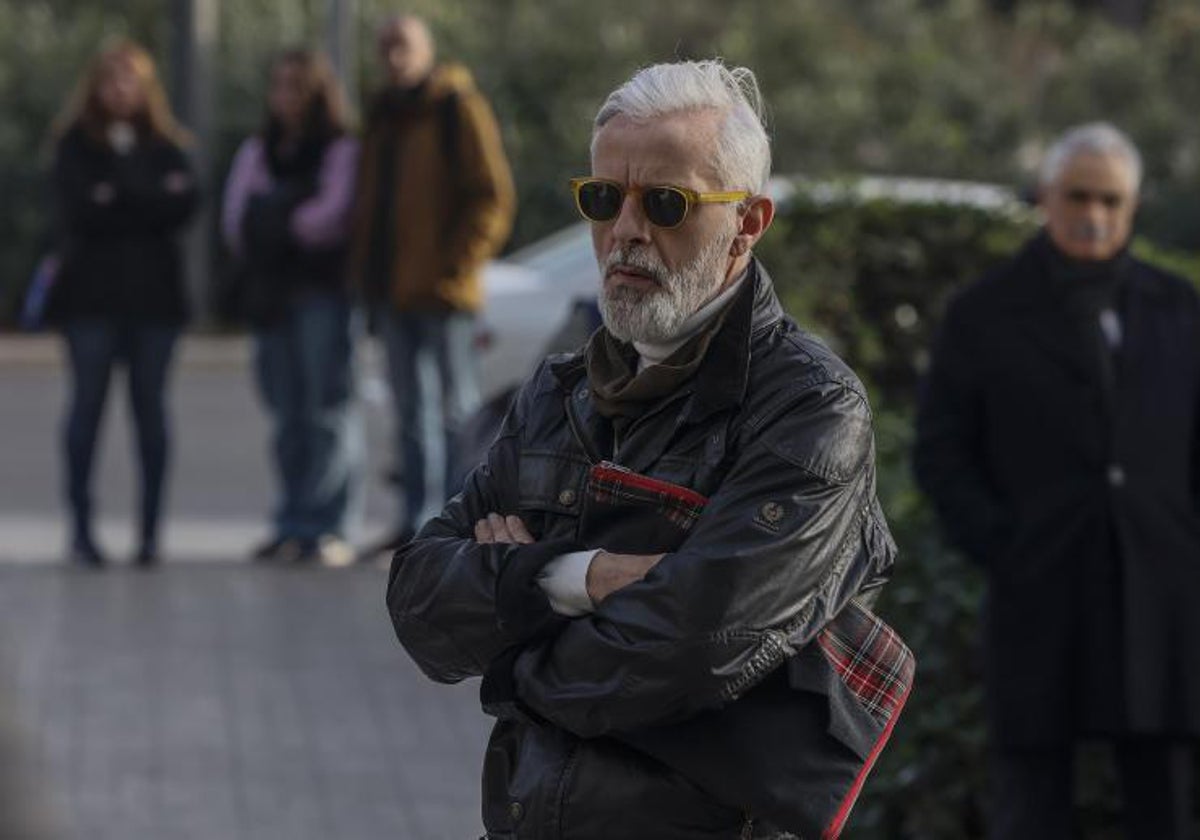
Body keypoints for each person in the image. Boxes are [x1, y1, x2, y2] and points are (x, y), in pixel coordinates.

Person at [387, 61, 907, 839]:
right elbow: (419, 596)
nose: (626, 230)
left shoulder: (809, 408)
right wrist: (579, 578)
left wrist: (509, 651)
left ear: (748, 222)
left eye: (666, 203)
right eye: (604, 198)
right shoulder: (560, 389)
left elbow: (695, 647)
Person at [914, 122, 1200, 839]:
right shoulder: (982, 313)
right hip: (1038, 595)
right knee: (1031, 807)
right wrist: (1004, 547)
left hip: (1160, 600)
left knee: (1168, 806)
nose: (1093, 215)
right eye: (1078, 194)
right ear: (1045, 195)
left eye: (1111, 200)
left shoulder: (1179, 309)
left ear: (1132, 207)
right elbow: (942, 452)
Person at [348, 14, 515, 555]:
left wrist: (456, 266)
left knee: (456, 413)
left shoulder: (455, 106)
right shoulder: (384, 113)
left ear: (426, 50)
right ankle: (415, 524)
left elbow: (492, 196)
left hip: (443, 292)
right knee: (409, 414)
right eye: (387, 46)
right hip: (392, 290)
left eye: (404, 46)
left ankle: (457, 522)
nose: (395, 57)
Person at [46, 40, 199, 568]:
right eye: (109, 79)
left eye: (129, 79)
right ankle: (81, 529)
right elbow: (81, 212)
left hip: (154, 307)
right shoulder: (74, 145)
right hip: (90, 304)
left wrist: (118, 193)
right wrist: (144, 198)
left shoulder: (167, 146)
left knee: (151, 417)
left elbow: (181, 207)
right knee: (85, 413)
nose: (119, 90)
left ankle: (150, 533)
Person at [221, 49, 362, 567]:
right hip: (271, 295)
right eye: (278, 85)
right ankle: (291, 519)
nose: (284, 96)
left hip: (321, 294)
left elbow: (330, 217)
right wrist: (280, 224)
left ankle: (329, 524)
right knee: (286, 415)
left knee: (326, 411)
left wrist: (275, 222)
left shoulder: (340, 148)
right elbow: (236, 216)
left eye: (295, 86)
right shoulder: (260, 149)